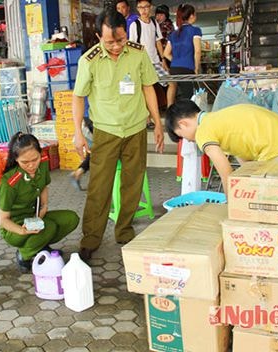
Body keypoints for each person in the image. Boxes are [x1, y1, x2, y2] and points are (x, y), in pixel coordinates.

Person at [72, 10, 164, 261]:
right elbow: (78, 97)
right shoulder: (88, 61)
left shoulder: (137, 53)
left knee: (132, 185)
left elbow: (148, 88)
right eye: (109, 41)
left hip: (135, 129)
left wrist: (157, 123)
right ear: (97, 36)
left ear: (126, 32)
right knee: (99, 189)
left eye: (120, 40)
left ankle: (124, 231)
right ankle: (91, 238)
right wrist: (77, 132)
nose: (115, 46)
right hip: (106, 131)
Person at [165, 100, 278, 195]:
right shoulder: (219, 118)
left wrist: (231, 203)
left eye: (182, 136)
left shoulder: (203, 132)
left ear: (183, 124)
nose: (188, 141)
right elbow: (245, 157)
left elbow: (226, 172)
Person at [0, 132, 79, 272]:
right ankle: (24, 254)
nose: (31, 165)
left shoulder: (43, 163)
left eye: (35, 159)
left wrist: (44, 206)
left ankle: (40, 246)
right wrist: (22, 231)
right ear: (16, 159)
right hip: (15, 227)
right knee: (48, 227)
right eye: (25, 162)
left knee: (71, 219)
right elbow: (3, 220)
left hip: (35, 216)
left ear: (40, 154)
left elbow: (44, 186)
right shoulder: (10, 182)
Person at [129, 0, 168, 128]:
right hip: (141, 63)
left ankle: (169, 111)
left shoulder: (154, 22)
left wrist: (163, 59)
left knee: (170, 81)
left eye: (146, 7)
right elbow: (132, 45)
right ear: (137, 9)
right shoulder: (135, 25)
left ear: (150, 8)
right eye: (141, 7)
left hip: (155, 61)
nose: (144, 10)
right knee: (145, 90)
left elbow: (158, 41)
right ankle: (147, 119)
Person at [163, 4, 202, 105]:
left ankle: (169, 113)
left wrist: (176, 60)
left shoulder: (173, 34)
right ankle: (185, 116)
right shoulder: (195, 30)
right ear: (192, 16)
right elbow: (197, 51)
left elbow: (166, 53)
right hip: (188, 68)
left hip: (174, 68)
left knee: (172, 90)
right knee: (188, 96)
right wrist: (196, 68)